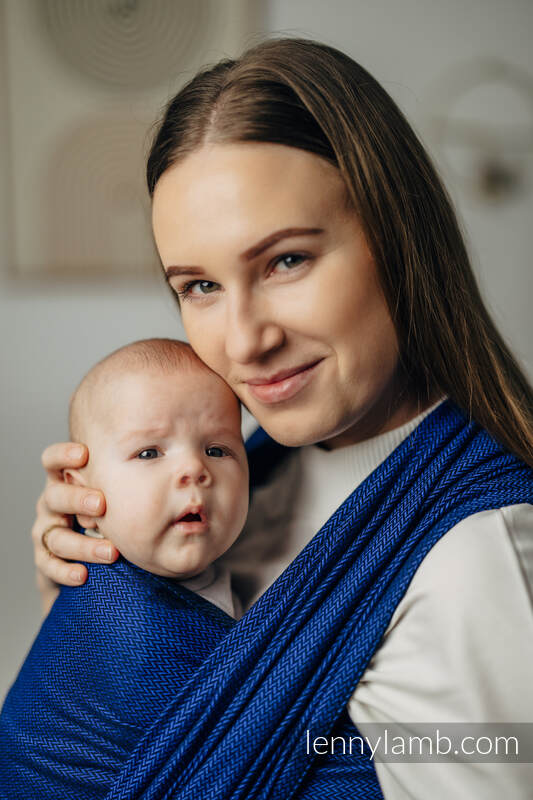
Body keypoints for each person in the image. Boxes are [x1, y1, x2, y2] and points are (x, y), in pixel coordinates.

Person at [29, 38, 533, 799]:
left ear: (397, 239)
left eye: (285, 261)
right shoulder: (244, 470)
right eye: (198, 285)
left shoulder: (472, 557)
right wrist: (94, 600)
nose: (244, 340)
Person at [1, 338, 248, 797]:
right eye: (150, 453)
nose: (194, 469)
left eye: (218, 449)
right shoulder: (122, 619)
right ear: (85, 498)